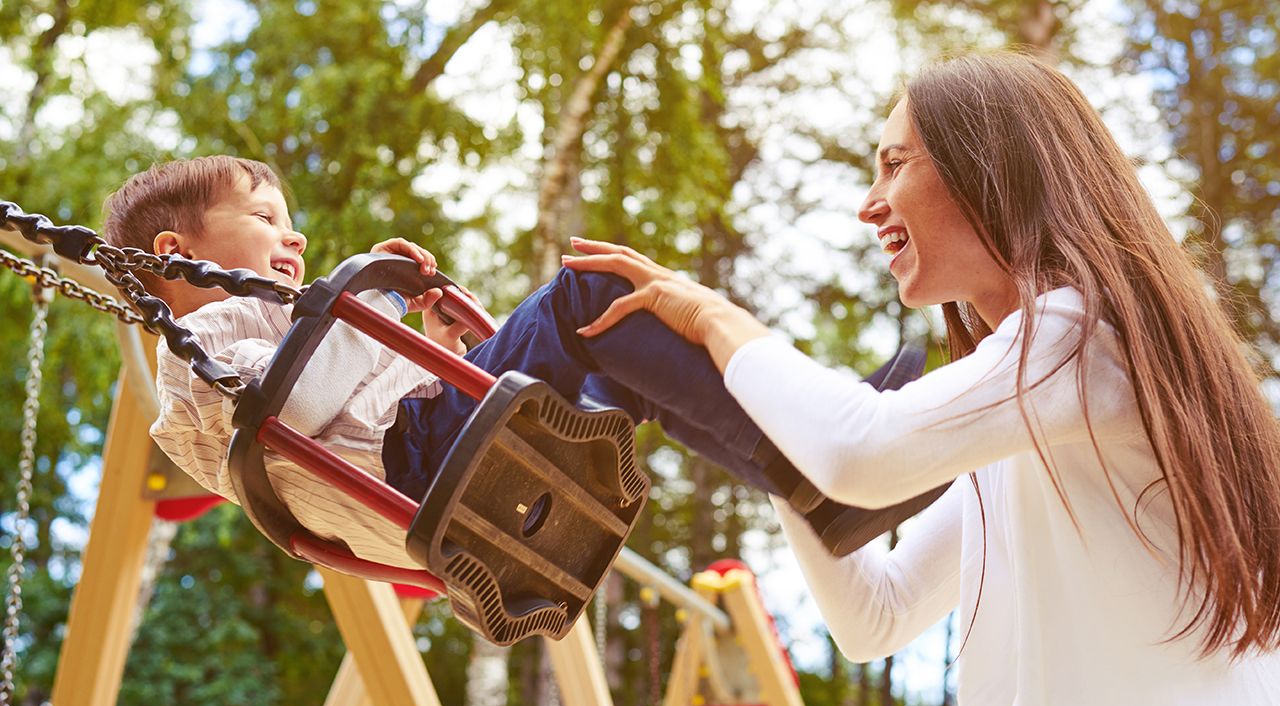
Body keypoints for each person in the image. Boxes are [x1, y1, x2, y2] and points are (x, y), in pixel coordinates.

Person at [563, 51, 1280, 706]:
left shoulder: (1083, 335)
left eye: (894, 165)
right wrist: (768, 441)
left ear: (990, 168)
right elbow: (878, 613)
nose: (869, 205)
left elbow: (860, 452)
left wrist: (715, 317)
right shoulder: (1034, 420)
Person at [102, 155, 930, 570]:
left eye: (292, 222)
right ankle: (825, 445)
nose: (295, 237)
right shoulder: (204, 341)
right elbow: (298, 406)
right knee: (591, 294)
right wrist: (375, 302)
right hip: (419, 463)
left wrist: (442, 344)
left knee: (627, 358)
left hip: (425, 462)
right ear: (179, 252)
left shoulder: (276, 323)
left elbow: (366, 396)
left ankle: (810, 480)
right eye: (264, 217)